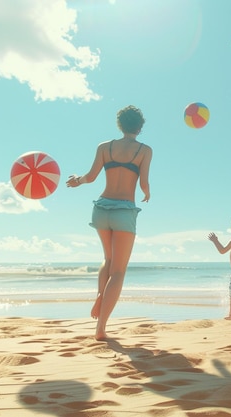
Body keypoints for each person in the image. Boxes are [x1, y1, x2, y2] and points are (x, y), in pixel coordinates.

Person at [66, 105, 152, 340]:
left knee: (107, 259)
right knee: (119, 271)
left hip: (101, 208)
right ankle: (101, 328)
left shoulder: (105, 147)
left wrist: (77, 181)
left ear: (120, 125)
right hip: (124, 211)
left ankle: (99, 294)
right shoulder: (144, 150)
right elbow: (144, 182)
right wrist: (147, 192)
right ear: (140, 127)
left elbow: (91, 177)